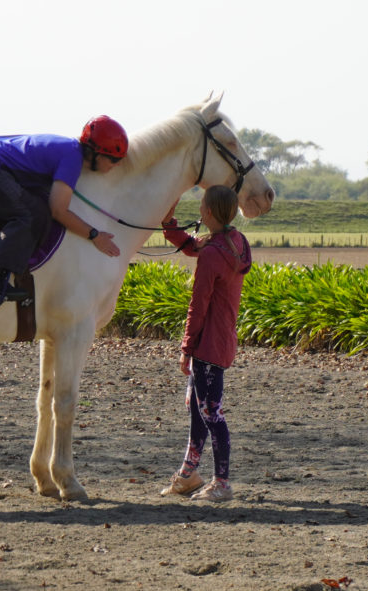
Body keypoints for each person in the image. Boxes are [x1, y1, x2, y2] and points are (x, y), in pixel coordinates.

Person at [0, 115, 126, 303]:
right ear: (96, 154)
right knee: (31, 214)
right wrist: (94, 235)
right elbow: (58, 211)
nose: (116, 165)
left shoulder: (67, 149)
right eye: (113, 159)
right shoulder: (72, 157)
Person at [158, 185, 252, 502]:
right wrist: (169, 227)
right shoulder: (234, 242)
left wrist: (186, 347)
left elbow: (197, 306)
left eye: (201, 206)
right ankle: (188, 474)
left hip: (208, 346)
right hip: (221, 340)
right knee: (197, 408)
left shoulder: (213, 254)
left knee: (211, 413)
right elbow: (192, 245)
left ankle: (222, 483)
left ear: (207, 212)